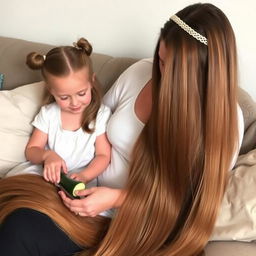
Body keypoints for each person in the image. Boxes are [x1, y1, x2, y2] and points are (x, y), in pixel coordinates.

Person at [0, 3, 244, 256]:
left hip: (136, 217)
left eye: (174, 70)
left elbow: (188, 201)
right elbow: (92, 125)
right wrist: (65, 165)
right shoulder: (139, 73)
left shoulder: (227, 123)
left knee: (21, 230)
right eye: (161, 60)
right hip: (85, 193)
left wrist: (116, 198)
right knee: (15, 216)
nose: (161, 72)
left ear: (205, 73)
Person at [6, 37, 111, 186]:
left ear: (92, 82)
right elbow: (32, 150)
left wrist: (85, 176)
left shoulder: (100, 115)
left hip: (80, 179)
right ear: (51, 91)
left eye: (81, 94)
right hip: (44, 174)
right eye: (64, 97)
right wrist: (47, 156)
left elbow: (103, 155)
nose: (74, 103)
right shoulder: (49, 114)